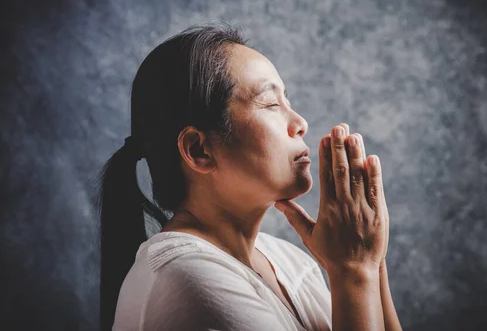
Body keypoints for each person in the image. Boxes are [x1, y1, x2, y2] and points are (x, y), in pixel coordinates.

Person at [96, 23, 402, 331]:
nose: (300, 123)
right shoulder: (186, 276)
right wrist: (353, 270)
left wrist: (369, 258)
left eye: (288, 102)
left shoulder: (287, 259)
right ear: (199, 149)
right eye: (270, 104)